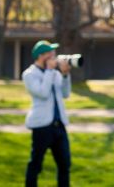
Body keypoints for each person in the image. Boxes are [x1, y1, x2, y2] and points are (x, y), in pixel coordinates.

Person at [23, 40, 72, 187]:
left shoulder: (54, 73)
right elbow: (43, 93)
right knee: (36, 165)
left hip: (59, 126)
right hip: (42, 127)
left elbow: (65, 94)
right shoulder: (29, 74)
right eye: (50, 53)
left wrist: (64, 75)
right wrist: (50, 71)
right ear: (41, 55)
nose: (54, 56)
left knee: (65, 165)